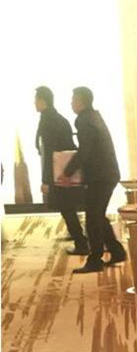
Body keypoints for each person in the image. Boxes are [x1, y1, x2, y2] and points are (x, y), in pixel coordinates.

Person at [57, 87, 127, 274]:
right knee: (97, 215)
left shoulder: (84, 120)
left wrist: (67, 172)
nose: (71, 103)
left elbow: (84, 151)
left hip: (100, 176)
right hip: (106, 174)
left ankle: (95, 260)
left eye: (73, 100)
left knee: (93, 218)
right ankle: (117, 251)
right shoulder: (93, 117)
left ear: (80, 101)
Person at [34, 86, 88, 252]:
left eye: (36, 100)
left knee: (66, 207)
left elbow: (49, 152)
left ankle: (81, 242)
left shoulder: (48, 121)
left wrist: (46, 180)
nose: (34, 103)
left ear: (42, 101)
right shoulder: (57, 118)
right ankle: (81, 240)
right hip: (63, 169)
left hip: (60, 171)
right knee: (67, 207)